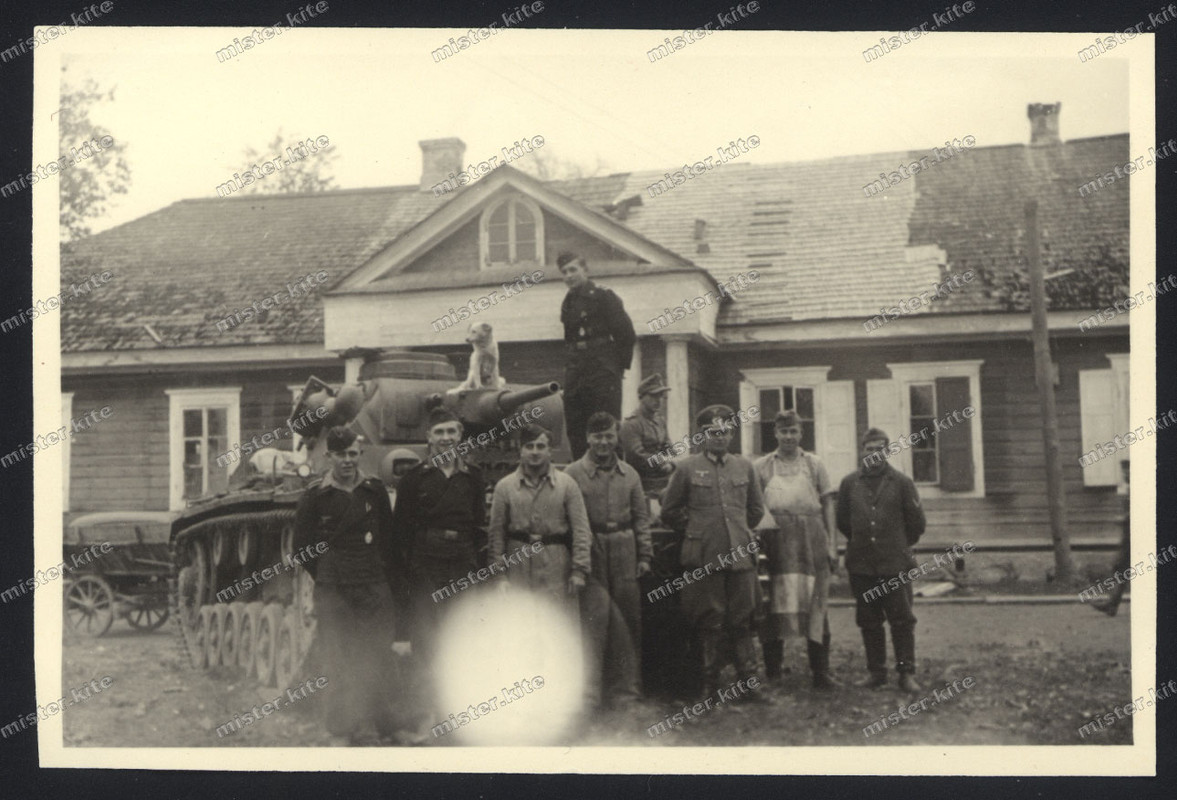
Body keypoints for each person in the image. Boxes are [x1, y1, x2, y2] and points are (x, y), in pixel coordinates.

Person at [293, 426, 400, 745]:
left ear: (359, 454)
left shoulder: (374, 490)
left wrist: (376, 572)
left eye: (353, 453)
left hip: (371, 582)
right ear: (329, 457)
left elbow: (388, 539)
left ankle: (377, 721)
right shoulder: (315, 495)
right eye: (341, 454)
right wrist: (328, 572)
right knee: (339, 656)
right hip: (334, 588)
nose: (348, 460)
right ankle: (345, 726)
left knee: (375, 652)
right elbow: (302, 548)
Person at [661, 405, 767, 701]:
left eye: (724, 432)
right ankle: (709, 685)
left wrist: (739, 531)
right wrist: (697, 530)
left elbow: (756, 510)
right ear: (702, 436)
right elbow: (669, 510)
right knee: (710, 621)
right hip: (704, 556)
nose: (719, 437)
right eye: (712, 432)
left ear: (731, 434)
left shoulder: (744, 467)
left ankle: (748, 684)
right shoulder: (686, 468)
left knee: (743, 620)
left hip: (740, 555)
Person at [564, 412, 653, 708]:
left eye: (609, 436)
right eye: (597, 436)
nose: (603, 442)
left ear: (617, 438)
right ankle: (590, 693)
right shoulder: (572, 474)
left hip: (625, 548)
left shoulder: (630, 475)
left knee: (628, 620)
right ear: (588, 438)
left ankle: (626, 691)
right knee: (592, 620)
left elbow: (641, 518)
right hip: (592, 549)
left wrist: (645, 554)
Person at [390, 407, 487, 667]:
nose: (446, 438)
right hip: (426, 565)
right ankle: (426, 692)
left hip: (462, 563)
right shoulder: (414, 478)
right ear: (429, 437)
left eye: (451, 431)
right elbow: (401, 532)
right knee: (427, 633)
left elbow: (479, 525)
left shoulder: (473, 477)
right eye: (439, 432)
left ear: (460, 434)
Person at [753, 410, 840, 691]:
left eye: (793, 431)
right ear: (775, 433)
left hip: (810, 540)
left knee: (816, 602)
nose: (788, 437)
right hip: (774, 541)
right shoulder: (761, 466)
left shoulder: (814, 464)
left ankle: (820, 672)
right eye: (783, 431)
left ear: (801, 433)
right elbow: (753, 507)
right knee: (772, 602)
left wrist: (832, 544)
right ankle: (773, 671)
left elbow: (828, 504)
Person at [835, 428, 927, 693]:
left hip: (895, 565)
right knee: (869, 620)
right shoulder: (849, 483)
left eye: (880, 449)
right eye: (869, 449)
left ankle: (906, 673)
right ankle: (876, 673)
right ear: (861, 451)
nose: (874, 454)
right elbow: (843, 522)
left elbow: (917, 524)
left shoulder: (902, 483)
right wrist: (864, 543)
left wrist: (895, 545)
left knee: (902, 621)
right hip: (862, 565)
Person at [487, 423, 592, 613]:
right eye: (529, 446)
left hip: (556, 565)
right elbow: (496, 534)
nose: (535, 452)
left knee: (556, 621)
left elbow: (581, 530)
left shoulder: (567, 485)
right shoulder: (505, 487)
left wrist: (579, 570)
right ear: (521, 450)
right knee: (519, 621)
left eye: (541, 446)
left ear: (550, 451)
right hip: (517, 563)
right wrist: (499, 575)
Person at [558, 251, 637, 460]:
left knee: (606, 424)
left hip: (601, 369)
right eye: (564, 272)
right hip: (577, 370)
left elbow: (626, 334)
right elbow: (570, 341)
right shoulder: (568, 302)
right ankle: (581, 472)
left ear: (585, 270)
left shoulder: (603, 296)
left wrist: (615, 369)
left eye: (573, 269)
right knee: (576, 425)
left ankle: (614, 472)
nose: (568, 275)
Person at [620, 373, 675, 495]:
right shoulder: (631, 424)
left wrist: (670, 462)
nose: (658, 400)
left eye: (661, 396)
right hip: (639, 484)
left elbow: (669, 448)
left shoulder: (660, 421)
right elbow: (637, 457)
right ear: (641, 397)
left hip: (663, 481)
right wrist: (663, 463)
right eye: (654, 396)